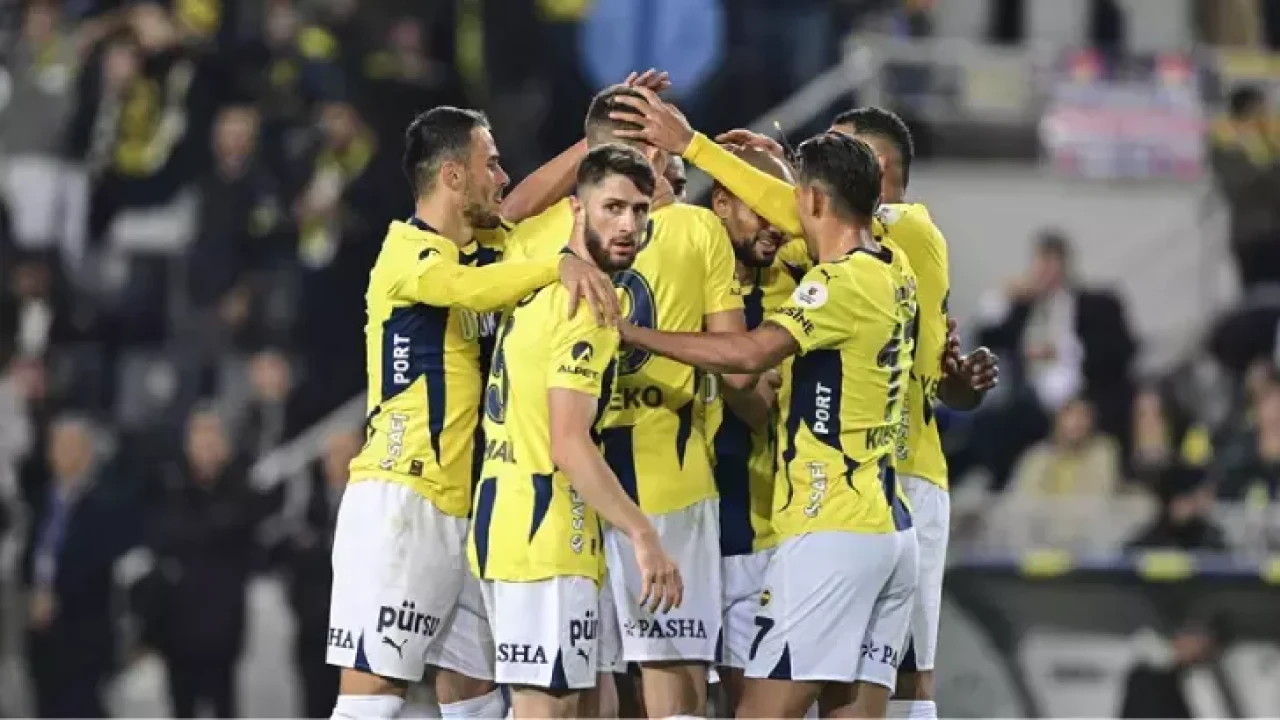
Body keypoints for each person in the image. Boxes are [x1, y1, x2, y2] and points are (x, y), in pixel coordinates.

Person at [611, 96, 999, 719]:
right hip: (888, 530)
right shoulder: (894, 266)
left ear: (814, 200)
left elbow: (748, 354)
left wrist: (631, 332)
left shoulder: (837, 283)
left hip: (832, 528)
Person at [327, 106, 620, 720]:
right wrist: (557, 266)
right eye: (491, 164)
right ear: (453, 176)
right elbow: (466, 292)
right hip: (402, 500)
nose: (503, 177)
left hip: (469, 510)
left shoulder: (484, 250)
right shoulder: (406, 252)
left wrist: (590, 147)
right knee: (372, 696)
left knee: (474, 693)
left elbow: (524, 207)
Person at [497, 85, 758, 717]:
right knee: (672, 684)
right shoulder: (698, 229)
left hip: (574, 498)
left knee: (588, 686)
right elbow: (739, 369)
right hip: (668, 482)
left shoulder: (549, 234)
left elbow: (508, 210)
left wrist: (594, 142)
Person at [468, 144, 683, 719]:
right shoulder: (587, 304)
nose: (628, 225)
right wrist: (643, 534)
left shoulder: (539, 266)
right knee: (551, 709)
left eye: (639, 210)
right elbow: (568, 441)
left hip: (514, 525)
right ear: (577, 209)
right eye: (612, 207)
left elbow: (513, 213)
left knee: (593, 706)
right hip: (545, 536)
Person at [701, 144, 801, 712]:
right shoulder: (671, 273)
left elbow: (761, 406)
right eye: (760, 206)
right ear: (721, 202)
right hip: (666, 528)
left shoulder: (795, 291)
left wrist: (707, 353)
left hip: (753, 533)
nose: (774, 225)